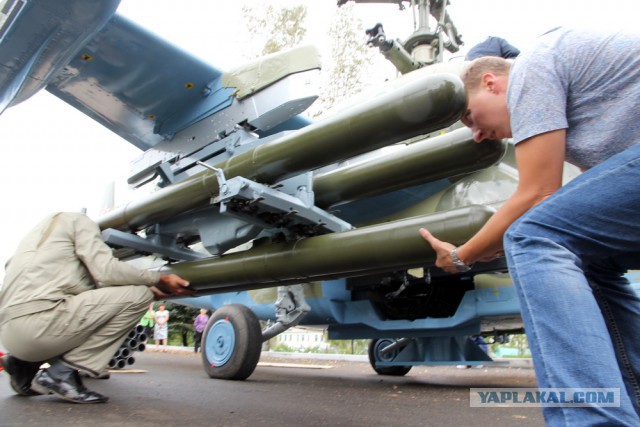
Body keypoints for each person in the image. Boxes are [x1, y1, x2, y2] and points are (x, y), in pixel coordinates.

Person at [420, 27, 640, 425]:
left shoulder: (530, 70)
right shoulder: (585, 117)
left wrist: (460, 255)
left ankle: (594, 419)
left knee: (531, 235)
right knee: (591, 257)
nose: (477, 134)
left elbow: (538, 195)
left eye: (469, 116)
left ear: (491, 83)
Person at [0, 212, 194, 404]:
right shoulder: (78, 221)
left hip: (9, 334)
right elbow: (106, 270)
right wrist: (160, 279)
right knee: (139, 296)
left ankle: (22, 365)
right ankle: (62, 374)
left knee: (69, 308)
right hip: (39, 328)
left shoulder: (36, 236)